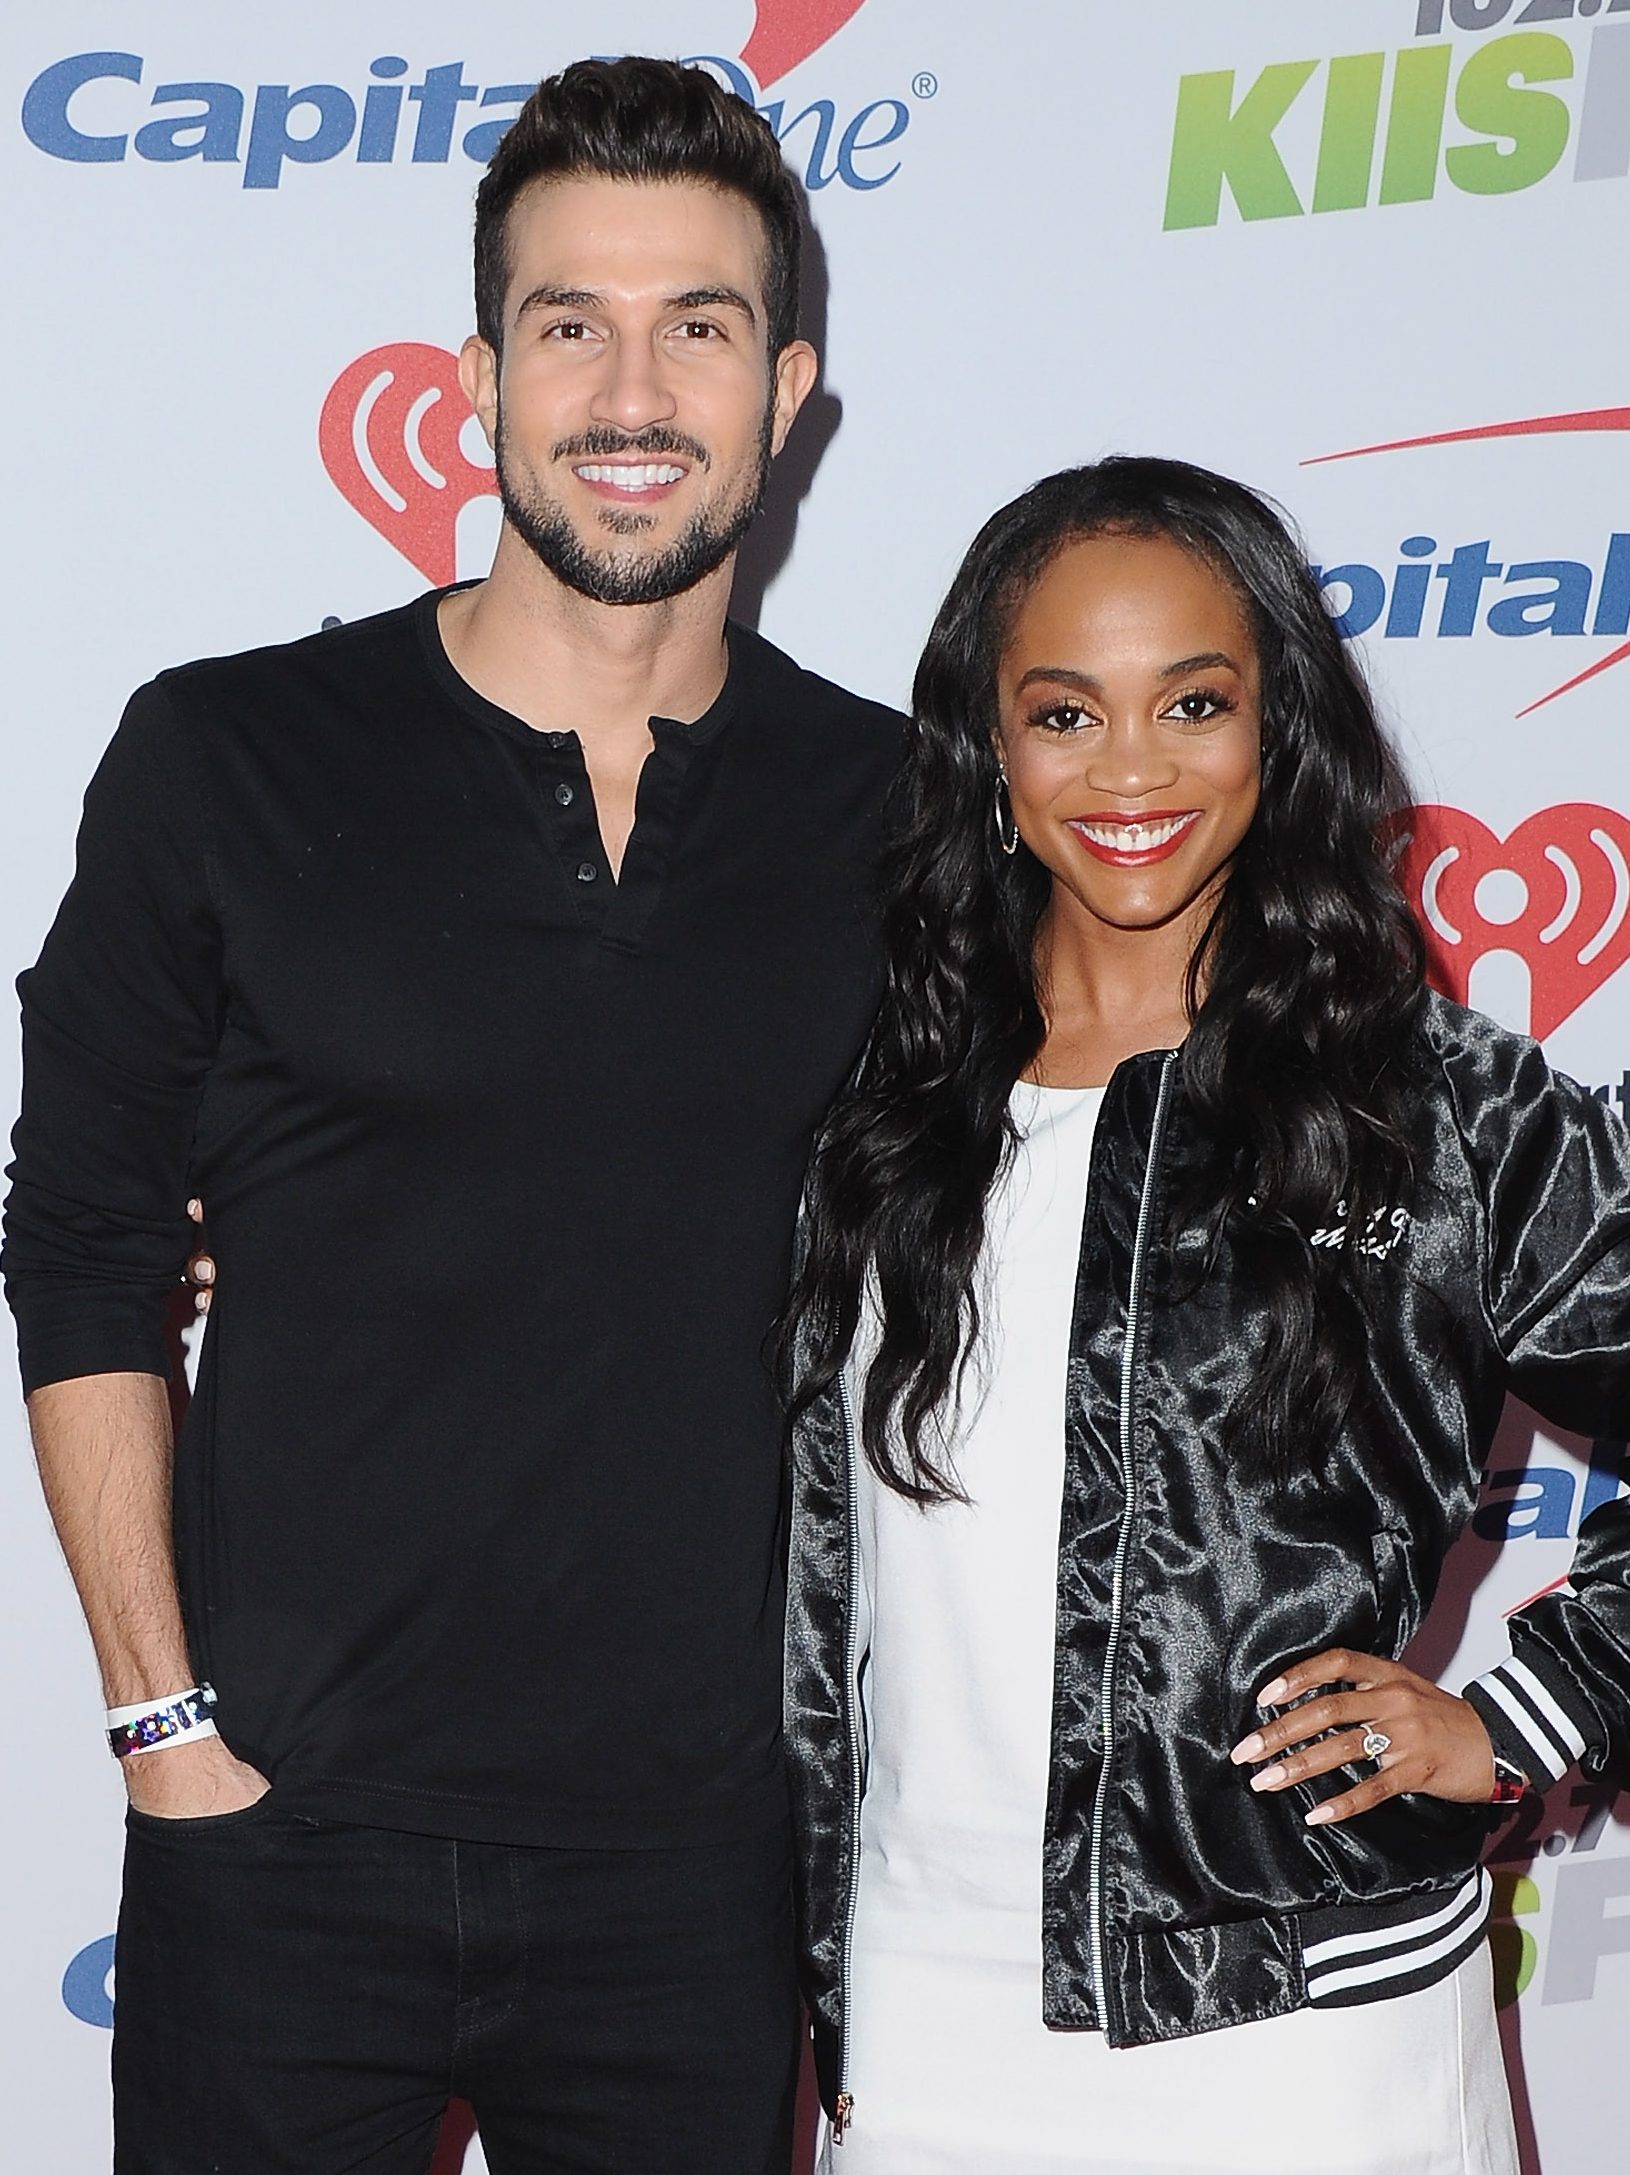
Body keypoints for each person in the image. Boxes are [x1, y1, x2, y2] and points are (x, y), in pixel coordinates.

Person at [3, 58, 900, 2175]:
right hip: (278, 1832)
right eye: (566, 322)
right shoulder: (223, 756)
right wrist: (161, 1722)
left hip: (698, 1869)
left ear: (784, 396)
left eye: (694, 325)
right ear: (475, 378)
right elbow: (81, 1231)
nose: (628, 387)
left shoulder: (897, 813)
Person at [782, 456, 1630, 2174]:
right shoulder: (875, 1097)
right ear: (986, 747)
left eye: (1193, 703)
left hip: (1302, 2031)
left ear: (1278, 727)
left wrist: (1519, 1716)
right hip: (918, 2009)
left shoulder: (1430, 1107)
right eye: (1061, 712)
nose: (1130, 771)